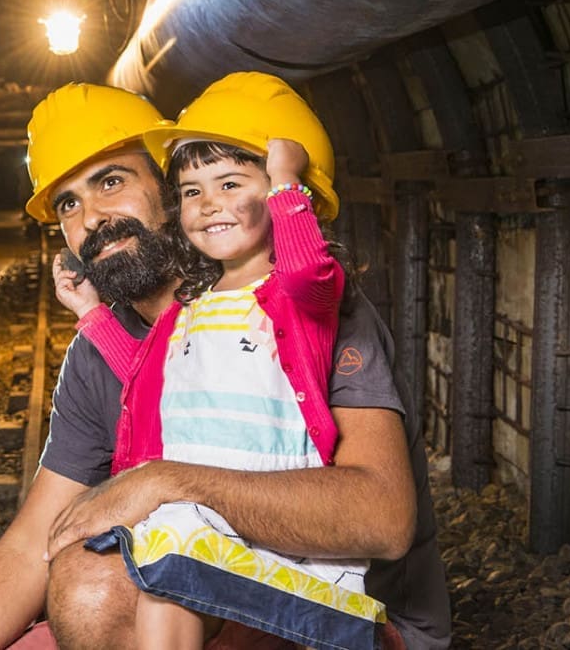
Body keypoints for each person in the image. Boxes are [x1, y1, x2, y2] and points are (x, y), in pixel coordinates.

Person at [0, 82, 450, 650]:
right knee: (79, 592)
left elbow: (382, 519)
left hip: (346, 615)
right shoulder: (100, 353)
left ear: (167, 192)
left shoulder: (312, 312)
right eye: (68, 204)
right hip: (196, 587)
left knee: (97, 587)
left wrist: (165, 483)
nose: (92, 219)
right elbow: (34, 544)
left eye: (110, 182)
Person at [55, 74, 384, 649]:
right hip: (199, 517)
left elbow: (308, 270)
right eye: (190, 192)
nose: (209, 205)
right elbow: (145, 374)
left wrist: (286, 184)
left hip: (275, 518)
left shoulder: (295, 299)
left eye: (231, 184)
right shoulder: (192, 312)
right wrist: (91, 316)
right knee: (164, 589)